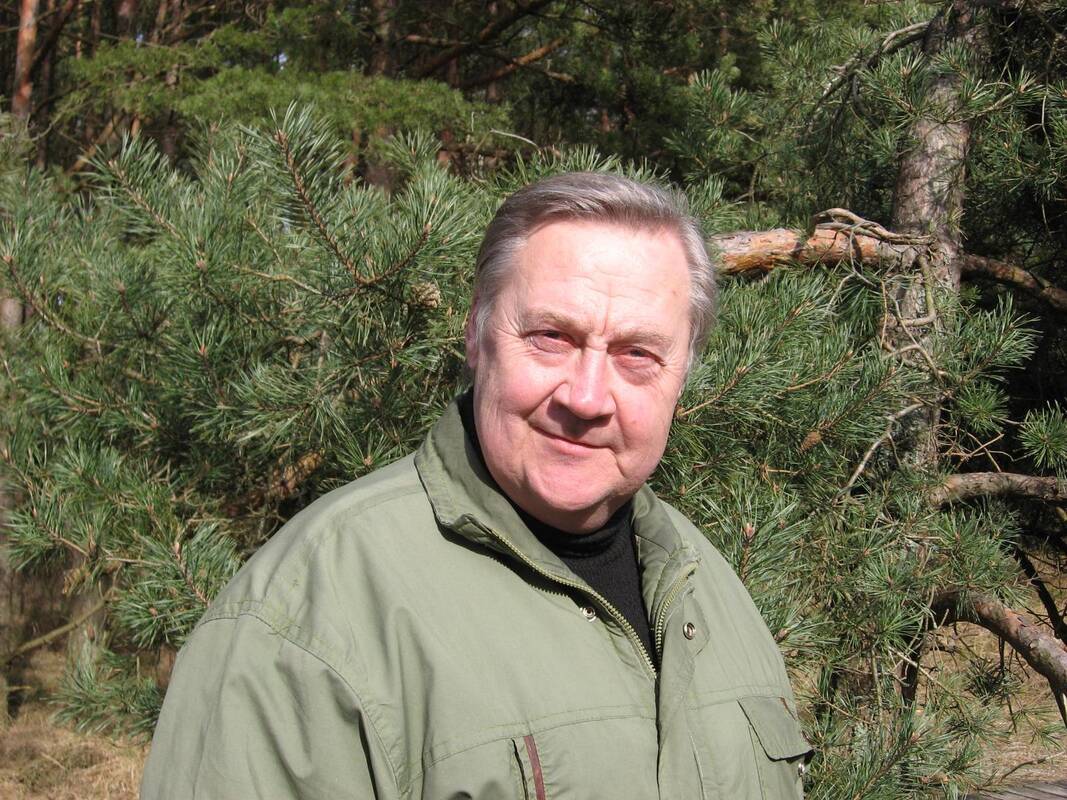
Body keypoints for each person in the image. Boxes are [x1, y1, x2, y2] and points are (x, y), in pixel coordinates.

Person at [141, 172, 810, 799]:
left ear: (682, 374)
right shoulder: (309, 612)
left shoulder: (711, 587)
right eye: (551, 336)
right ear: (476, 335)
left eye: (637, 354)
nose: (585, 398)